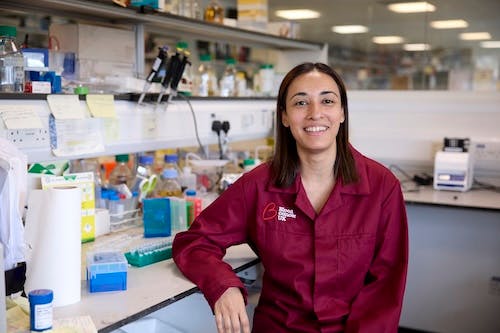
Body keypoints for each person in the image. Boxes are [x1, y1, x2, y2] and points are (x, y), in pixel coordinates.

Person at [172, 62, 409, 333]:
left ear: (342, 112)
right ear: (284, 116)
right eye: (300, 103)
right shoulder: (259, 186)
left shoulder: (381, 187)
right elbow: (194, 242)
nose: (315, 114)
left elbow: (385, 287)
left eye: (327, 101)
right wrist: (223, 286)